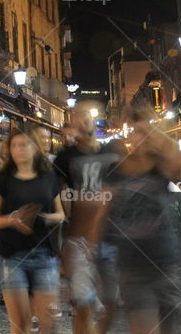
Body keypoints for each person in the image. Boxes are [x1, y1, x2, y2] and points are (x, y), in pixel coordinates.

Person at [105, 110, 181, 334]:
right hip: (131, 266)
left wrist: (154, 132)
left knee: (172, 329)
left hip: (167, 264)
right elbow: (102, 209)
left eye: (143, 132)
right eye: (135, 132)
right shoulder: (117, 169)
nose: (138, 137)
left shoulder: (160, 166)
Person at [0, 127, 65, 334]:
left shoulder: (48, 177)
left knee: (49, 324)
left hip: (44, 255)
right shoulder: (2, 179)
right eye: (14, 145)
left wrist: (44, 218)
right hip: (11, 256)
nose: (19, 150)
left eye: (24, 144)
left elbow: (61, 214)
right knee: (20, 325)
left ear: (35, 148)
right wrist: (11, 220)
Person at [53, 117, 122, 334]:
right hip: (78, 239)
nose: (83, 122)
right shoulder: (65, 158)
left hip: (110, 237)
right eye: (78, 119)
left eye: (87, 117)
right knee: (83, 304)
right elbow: (54, 190)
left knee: (112, 301)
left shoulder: (111, 153)